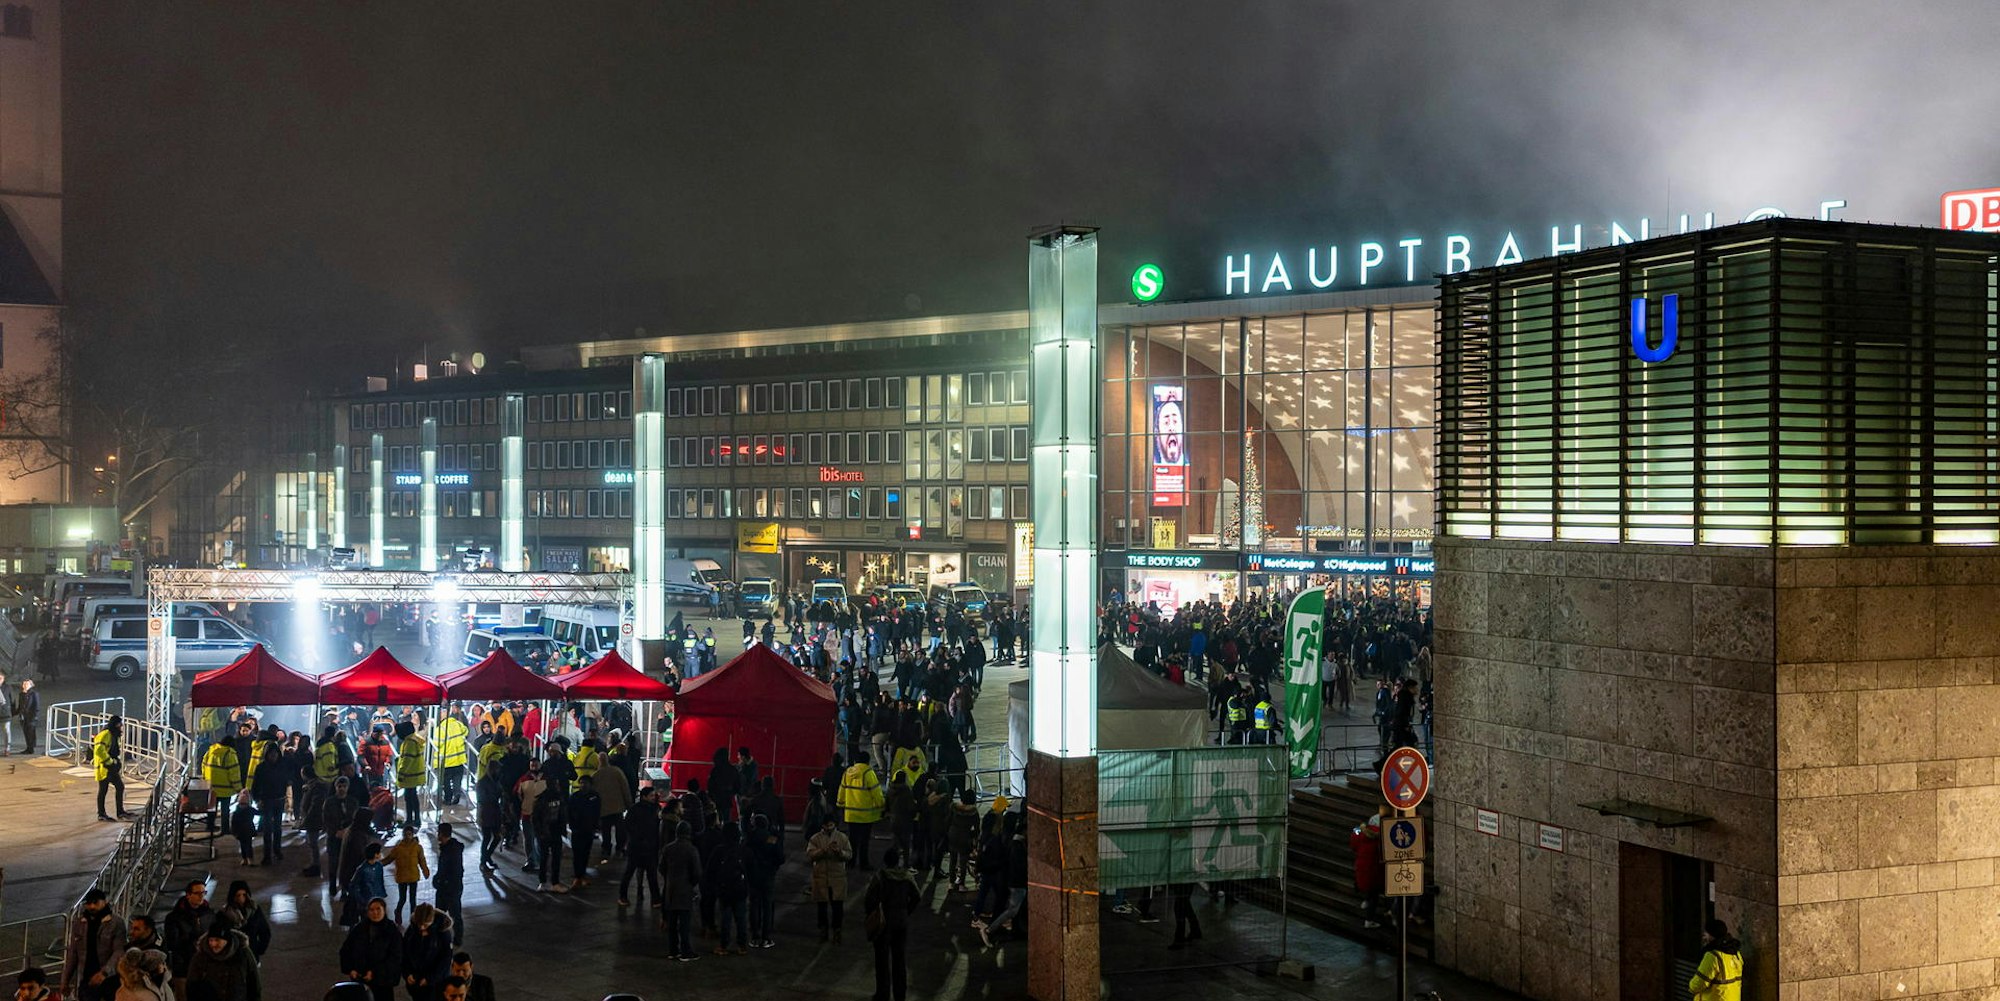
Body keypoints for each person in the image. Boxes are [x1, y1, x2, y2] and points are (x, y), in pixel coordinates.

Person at [863, 848, 924, 1001]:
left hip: (884, 922)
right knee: (899, 960)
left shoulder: (880, 876)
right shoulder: (907, 876)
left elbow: (869, 899)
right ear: (898, 861)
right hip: (901, 921)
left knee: (882, 961)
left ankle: (882, 994)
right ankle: (900, 995)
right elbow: (917, 897)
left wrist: (874, 912)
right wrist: (906, 911)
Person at [61, 888, 125, 1001]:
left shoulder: (116, 923)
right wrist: (65, 980)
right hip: (87, 978)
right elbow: (73, 953)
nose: (92, 906)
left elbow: (119, 951)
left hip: (110, 979)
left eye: (96, 902)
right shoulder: (79, 923)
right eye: (89, 903)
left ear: (104, 902)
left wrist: (104, 972)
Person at [338, 898, 402, 1001]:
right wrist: (350, 968)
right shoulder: (359, 929)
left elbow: (395, 958)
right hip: (360, 980)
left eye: (378, 909)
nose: (375, 913)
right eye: (371, 910)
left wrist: (374, 972)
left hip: (382, 982)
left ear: (384, 910)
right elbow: (346, 950)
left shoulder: (392, 931)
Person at [185, 917, 261, 1001]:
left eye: (217, 940)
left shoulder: (243, 954)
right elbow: (191, 986)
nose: (213, 944)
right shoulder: (201, 956)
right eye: (211, 940)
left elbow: (254, 984)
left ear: (227, 940)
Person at [658, 821, 702, 962]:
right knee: (684, 923)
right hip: (685, 889)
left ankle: (673, 950)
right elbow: (697, 872)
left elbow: (661, 868)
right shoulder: (691, 850)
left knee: (672, 922)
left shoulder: (668, 848)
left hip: (670, 889)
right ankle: (685, 951)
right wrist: (691, 883)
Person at [806, 816, 853, 942]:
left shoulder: (842, 838)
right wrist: (823, 851)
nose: (828, 828)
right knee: (822, 906)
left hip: (837, 878)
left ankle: (837, 930)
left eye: (830, 825)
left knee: (837, 906)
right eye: (826, 825)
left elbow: (849, 855)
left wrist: (839, 852)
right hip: (821, 877)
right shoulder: (815, 838)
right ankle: (823, 930)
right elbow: (810, 855)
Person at [618, 786, 663, 908]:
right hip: (640, 847)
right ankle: (655, 899)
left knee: (648, 874)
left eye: (654, 796)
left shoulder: (646, 809)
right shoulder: (644, 809)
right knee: (640, 873)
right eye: (651, 796)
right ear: (644, 797)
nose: (654, 798)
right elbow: (628, 825)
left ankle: (654, 899)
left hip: (643, 846)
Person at [163, 881, 213, 988]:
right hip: (184, 967)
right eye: (198, 893)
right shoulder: (174, 917)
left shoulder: (209, 914)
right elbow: (173, 943)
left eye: (204, 893)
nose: (201, 896)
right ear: (188, 895)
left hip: (205, 966)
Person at [400, 903, 454, 1001]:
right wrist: (407, 973)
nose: (421, 927)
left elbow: (445, 959)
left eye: (425, 924)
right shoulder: (412, 929)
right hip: (416, 980)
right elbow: (405, 953)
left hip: (435, 982)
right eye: (419, 924)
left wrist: (430, 979)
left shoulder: (443, 932)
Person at [837, 756, 884, 870]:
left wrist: (840, 803)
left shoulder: (847, 773)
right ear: (868, 762)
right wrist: (881, 805)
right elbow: (876, 791)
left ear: (855, 761)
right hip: (866, 816)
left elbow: (842, 789)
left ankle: (851, 862)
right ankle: (863, 864)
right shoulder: (869, 773)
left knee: (852, 840)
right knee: (864, 841)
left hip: (851, 814)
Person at [745, 813, 783, 949]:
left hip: (753, 876)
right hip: (768, 876)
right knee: (767, 905)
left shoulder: (749, 838)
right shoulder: (772, 839)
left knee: (754, 905)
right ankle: (766, 937)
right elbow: (780, 858)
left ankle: (754, 936)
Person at [1690, 918, 1745, 1001]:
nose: (1704, 935)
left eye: (1706, 933)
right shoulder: (1736, 954)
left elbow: (1698, 984)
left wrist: (1691, 987)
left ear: (1712, 935)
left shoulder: (1713, 956)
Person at [203, 732, 244, 834]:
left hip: (211, 786)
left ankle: (210, 826)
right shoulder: (230, 754)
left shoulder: (212, 750)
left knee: (212, 808)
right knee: (225, 810)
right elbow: (234, 773)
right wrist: (238, 788)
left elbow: (203, 764)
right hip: (225, 788)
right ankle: (225, 829)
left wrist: (205, 779)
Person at [432, 823, 465, 945]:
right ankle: (445, 936)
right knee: (445, 914)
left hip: (449, 889)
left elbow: (452, 871)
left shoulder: (451, 851)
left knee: (452, 914)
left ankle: (456, 937)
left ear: (441, 834)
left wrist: (441, 882)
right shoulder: (450, 848)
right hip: (449, 887)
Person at [387, 825, 429, 921]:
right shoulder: (398, 848)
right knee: (402, 899)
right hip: (402, 877)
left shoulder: (418, 848)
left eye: (409, 834)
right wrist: (378, 864)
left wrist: (425, 870)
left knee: (412, 900)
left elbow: (422, 860)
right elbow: (389, 859)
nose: (407, 836)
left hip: (413, 876)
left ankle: (413, 918)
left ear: (412, 835)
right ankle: (398, 912)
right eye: (405, 835)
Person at [221, 880, 272, 957]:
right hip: (232, 956)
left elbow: (264, 931)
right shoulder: (224, 913)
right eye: (238, 895)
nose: (241, 898)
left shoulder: (254, 910)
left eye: (244, 895)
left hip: (251, 954)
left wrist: (259, 949)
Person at [95, 715, 132, 821]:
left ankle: (120, 812)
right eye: (120, 725)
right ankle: (101, 814)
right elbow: (99, 750)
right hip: (104, 767)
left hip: (110, 767)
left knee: (119, 787)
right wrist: (110, 762)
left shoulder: (113, 734)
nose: (121, 727)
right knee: (103, 790)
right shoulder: (106, 734)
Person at [344, 845, 388, 927]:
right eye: (379, 852)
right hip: (366, 902)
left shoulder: (379, 866)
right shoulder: (362, 869)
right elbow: (353, 886)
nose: (381, 854)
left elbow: (380, 882)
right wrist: (361, 900)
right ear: (375, 854)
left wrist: (382, 896)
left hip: (377, 900)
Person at [395, 722, 428, 827]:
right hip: (415, 774)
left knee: (409, 798)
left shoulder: (409, 742)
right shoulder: (415, 739)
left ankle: (410, 820)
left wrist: (401, 774)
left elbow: (407, 760)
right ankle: (415, 819)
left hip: (409, 775)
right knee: (413, 797)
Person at [229, 789, 258, 864]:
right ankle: (249, 859)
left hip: (240, 832)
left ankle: (245, 858)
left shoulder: (236, 812)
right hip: (248, 830)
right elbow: (259, 813)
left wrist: (233, 832)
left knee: (243, 846)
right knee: (248, 845)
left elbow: (233, 823)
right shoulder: (250, 810)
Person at [14, 678, 38, 754]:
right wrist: (13, 713)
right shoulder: (21, 694)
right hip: (23, 717)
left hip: (31, 717)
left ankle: (31, 748)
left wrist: (34, 717)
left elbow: (36, 706)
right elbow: (20, 706)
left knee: (31, 733)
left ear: (31, 685)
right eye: (24, 684)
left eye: (26, 684)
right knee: (26, 733)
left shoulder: (34, 694)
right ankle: (28, 747)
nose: (24, 685)